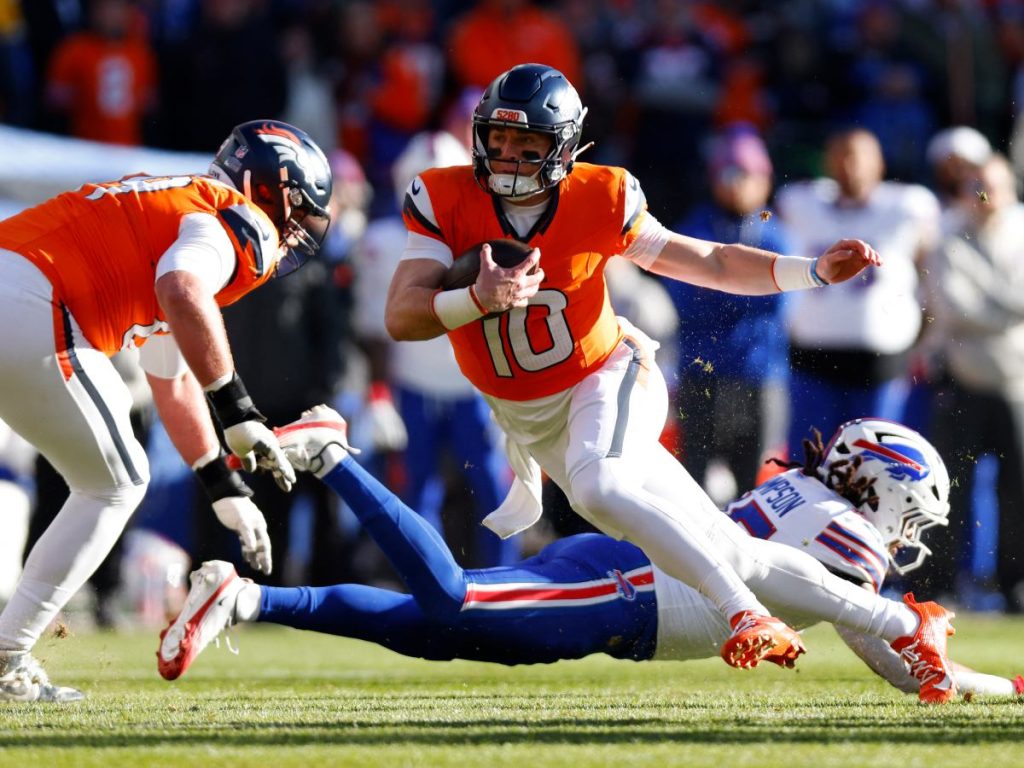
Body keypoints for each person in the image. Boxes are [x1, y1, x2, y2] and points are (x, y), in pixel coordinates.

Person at [381, 63, 956, 700]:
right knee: (732, 551)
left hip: (608, 374)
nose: (510, 157)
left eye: (529, 145)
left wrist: (811, 271)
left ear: (565, 147)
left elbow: (707, 260)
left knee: (601, 485)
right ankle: (906, 625)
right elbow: (402, 316)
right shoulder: (442, 195)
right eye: (499, 140)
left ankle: (744, 614)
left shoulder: (601, 196)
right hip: (532, 417)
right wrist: (477, 298)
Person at [160, 408, 1006, 703]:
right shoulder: (844, 533)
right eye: (913, 515)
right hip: (629, 593)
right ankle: (333, 454)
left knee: (437, 629)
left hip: (621, 571)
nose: (910, 534)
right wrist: (997, 688)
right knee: (452, 603)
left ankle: (244, 599)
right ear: (887, 489)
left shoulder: (805, 496)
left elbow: (882, 645)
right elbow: (892, 659)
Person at [0, 119, 332, 702]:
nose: (295, 233)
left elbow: (171, 378)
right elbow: (182, 288)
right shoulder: (239, 221)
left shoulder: (175, 206)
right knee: (116, 482)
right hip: (29, 297)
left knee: (111, 478)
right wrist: (239, 411)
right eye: (297, 214)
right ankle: (7, 657)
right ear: (272, 191)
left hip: (16, 283)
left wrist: (222, 485)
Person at [353, 130, 517, 567]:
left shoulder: (485, 231)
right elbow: (375, 326)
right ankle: (427, 582)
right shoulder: (383, 240)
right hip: (415, 383)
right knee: (414, 491)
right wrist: (378, 390)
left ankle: (506, 582)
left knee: (496, 489)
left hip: (474, 383)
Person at [776, 127, 940, 448]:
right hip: (813, 355)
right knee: (810, 460)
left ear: (880, 163)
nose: (849, 165)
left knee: (873, 464)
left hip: (880, 361)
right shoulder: (799, 202)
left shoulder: (908, 207)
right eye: (840, 155)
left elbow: (929, 269)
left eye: (858, 156)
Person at [919, 154, 1024, 606]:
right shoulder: (947, 241)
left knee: (1017, 490)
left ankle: (1013, 583)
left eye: (992, 186)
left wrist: (988, 296)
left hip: (1016, 382)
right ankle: (941, 581)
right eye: (975, 186)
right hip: (962, 380)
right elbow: (954, 307)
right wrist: (1005, 304)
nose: (984, 197)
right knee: (950, 488)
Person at [667, 124, 793, 500]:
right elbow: (682, 294)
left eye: (746, 175)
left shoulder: (775, 233)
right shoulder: (696, 227)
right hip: (701, 375)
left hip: (759, 376)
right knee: (693, 484)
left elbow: (784, 299)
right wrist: (744, 286)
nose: (737, 185)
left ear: (765, 180)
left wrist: (718, 280)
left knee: (757, 485)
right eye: (728, 174)